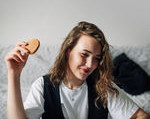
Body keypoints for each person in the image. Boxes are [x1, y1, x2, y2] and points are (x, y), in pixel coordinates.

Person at [5, 21, 150, 119]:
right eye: (84, 55)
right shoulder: (43, 86)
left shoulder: (104, 88)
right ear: (68, 51)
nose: (90, 64)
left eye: (96, 58)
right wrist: (14, 74)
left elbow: (141, 116)